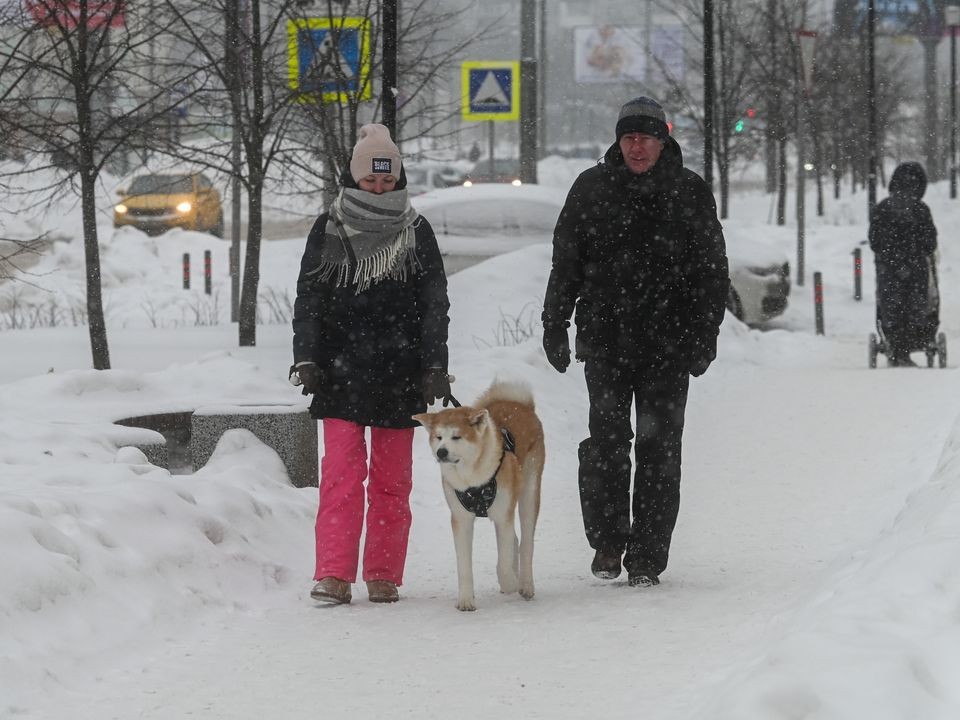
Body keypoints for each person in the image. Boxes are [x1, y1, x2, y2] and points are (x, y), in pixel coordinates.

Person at [541, 96, 728, 588]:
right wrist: (554, 324)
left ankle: (647, 553)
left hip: (669, 344)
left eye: (646, 137)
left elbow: (711, 272)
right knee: (606, 443)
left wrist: (704, 335)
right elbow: (567, 263)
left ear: (663, 141)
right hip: (605, 342)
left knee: (659, 448)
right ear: (618, 141)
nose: (637, 147)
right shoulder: (591, 189)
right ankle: (607, 538)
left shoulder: (688, 192)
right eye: (629, 137)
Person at [291, 123, 452, 605]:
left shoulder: (416, 231)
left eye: (388, 181)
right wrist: (307, 356)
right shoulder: (329, 227)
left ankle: (383, 572)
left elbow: (434, 303)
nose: (379, 188)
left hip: (401, 374)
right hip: (340, 371)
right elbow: (310, 299)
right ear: (354, 177)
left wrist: (434, 366)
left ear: (398, 179)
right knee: (341, 474)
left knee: (392, 480)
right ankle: (333, 575)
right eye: (370, 180)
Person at [868, 161, 939, 368]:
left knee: (891, 305)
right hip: (916, 268)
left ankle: (895, 346)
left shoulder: (882, 208)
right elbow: (930, 242)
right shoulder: (921, 209)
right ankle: (912, 343)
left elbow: (875, 241)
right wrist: (913, 257)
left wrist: (892, 260)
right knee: (916, 305)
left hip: (888, 269)